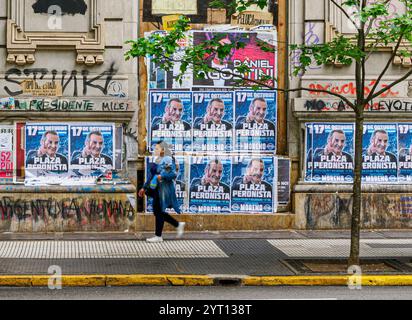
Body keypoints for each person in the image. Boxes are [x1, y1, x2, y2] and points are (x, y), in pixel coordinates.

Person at [139, 141, 185, 243]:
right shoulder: (158, 160)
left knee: (158, 211)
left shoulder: (167, 160)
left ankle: (159, 236)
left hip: (163, 190)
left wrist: (162, 176)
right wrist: (144, 187)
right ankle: (177, 225)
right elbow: (152, 176)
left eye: (157, 149)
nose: (155, 150)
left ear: (163, 150)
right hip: (157, 189)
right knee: (158, 211)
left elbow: (172, 174)